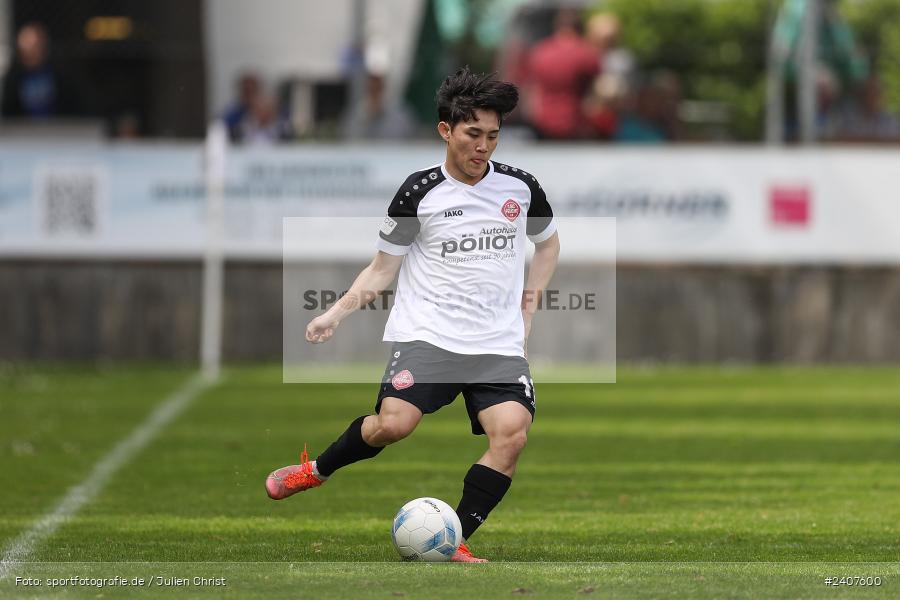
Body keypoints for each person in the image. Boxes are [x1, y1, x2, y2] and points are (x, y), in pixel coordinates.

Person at [265, 67, 560, 563]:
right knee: (393, 425)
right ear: (446, 131)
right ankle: (315, 470)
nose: (483, 146)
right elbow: (382, 270)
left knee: (511, 435)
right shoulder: (418, 192)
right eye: (472, 135)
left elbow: (548, 244)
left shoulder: (521, 187)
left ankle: (455, 539)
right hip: (429, 336)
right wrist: (334, 314)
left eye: (492, 135)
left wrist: (528, 308)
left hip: (496, 344)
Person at [524, 9, 599, 139]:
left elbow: (530, 88)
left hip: (541, 122)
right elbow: (594, 94)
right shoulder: (586, 53)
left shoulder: (539, 51)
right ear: (580, 28)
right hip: (574, 123)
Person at [1, 22, 85, 118]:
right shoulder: (14, 78)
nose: (30, 54)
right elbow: (8, 110)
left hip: (58, 128)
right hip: (24, 130)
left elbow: (73, 103)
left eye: (33, 49)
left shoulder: (59, 74)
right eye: (25, 50)